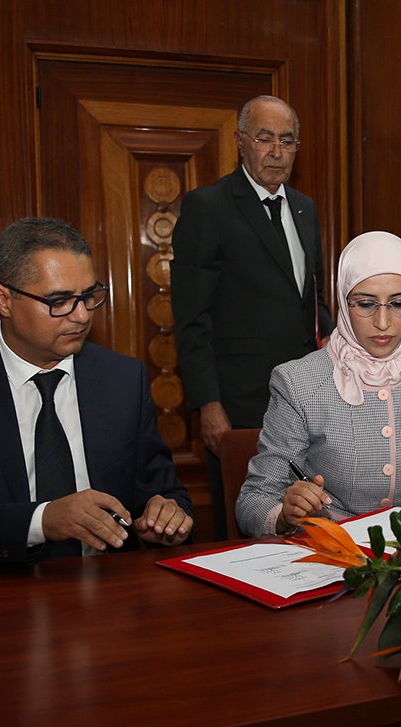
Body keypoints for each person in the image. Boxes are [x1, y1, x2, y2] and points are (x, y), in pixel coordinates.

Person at [0, 217, 193, 567]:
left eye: (88, 296)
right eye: (59, 300)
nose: (80, 316)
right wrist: (41, 521)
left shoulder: (123, 378)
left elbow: (163, 494)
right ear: (4, 300)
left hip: (110, 594)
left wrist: (169, 518)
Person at [171, 95, 335, 537]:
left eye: (287, 140)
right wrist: (209, 403)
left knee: (306, 519)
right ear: (241, 142)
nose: (276, 151)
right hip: (241, 403)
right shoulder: (208, 207)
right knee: (247, 526)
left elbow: (311, 301)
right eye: (264, 138)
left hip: (306, 396)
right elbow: (191, 317)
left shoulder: (305, 207)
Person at [236, 231, 401, 536]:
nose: (383, 323)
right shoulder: (299, 382)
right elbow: (254, 499)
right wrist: (284, 514)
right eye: (366, 304)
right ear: (344, 302)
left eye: (398, 304)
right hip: (333, 555)